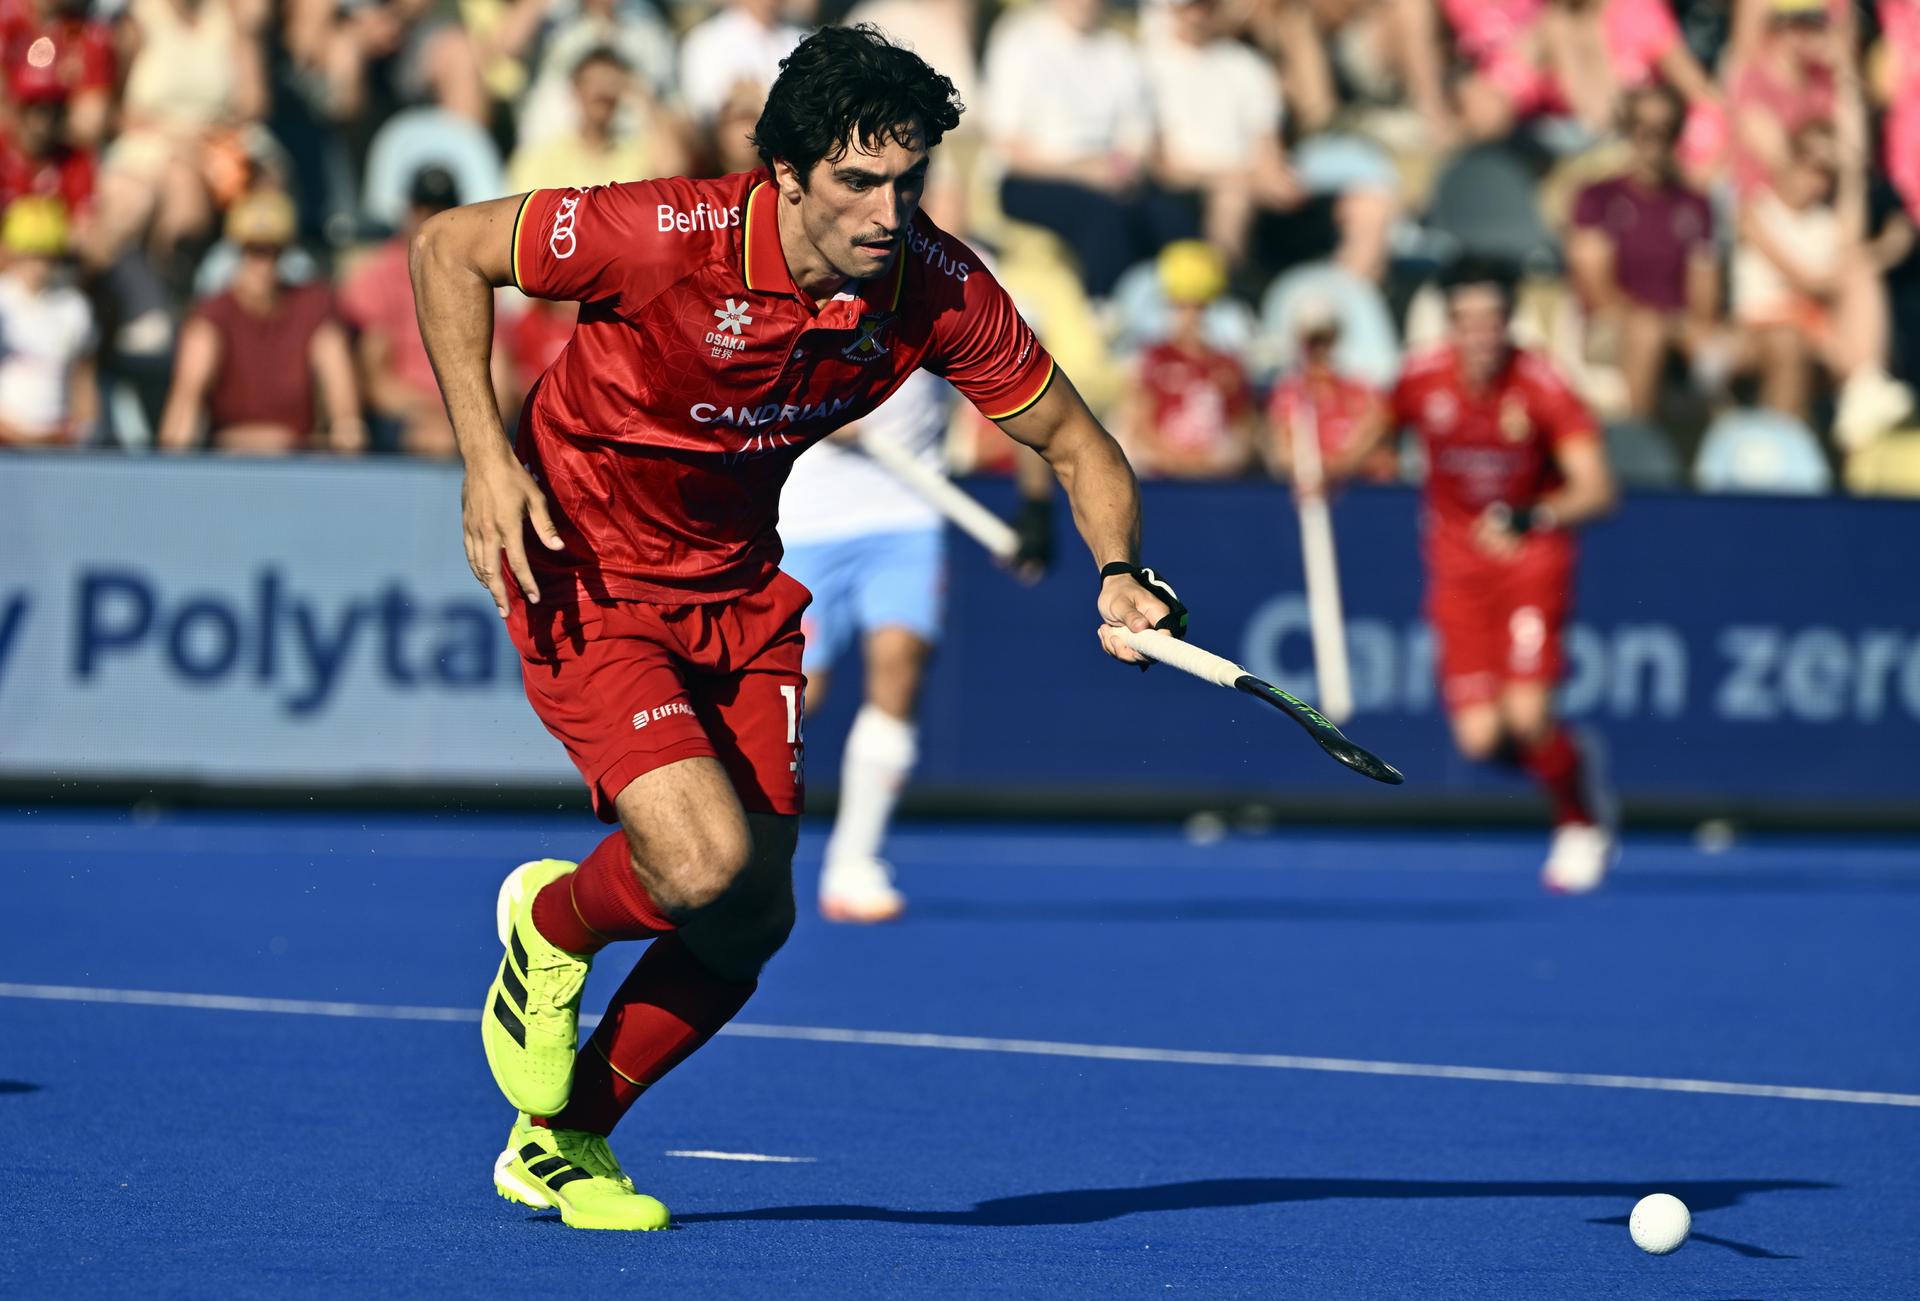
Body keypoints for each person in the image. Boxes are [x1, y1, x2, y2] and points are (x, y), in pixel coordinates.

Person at [410, 23, 1184, 1230]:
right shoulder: (662, 232)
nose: (890, 211)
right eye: (859, 182)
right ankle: (549, 921)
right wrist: (482, 458)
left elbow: (1077, 445)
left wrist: (1121, 569)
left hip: (738, 590)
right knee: (701, 861)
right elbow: (446, 250)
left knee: (754, 914)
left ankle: (562, 1144)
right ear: (786, 176)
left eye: (909, 179)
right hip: (584, 562)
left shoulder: (935, 286)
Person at [1333, 259, 1619, 893]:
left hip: (1530, 564)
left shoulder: (1542, 385)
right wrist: (1334, 470)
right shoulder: (1421, 378)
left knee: (1526, 715)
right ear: (1450, 325)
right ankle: (1573, 765)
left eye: (1492, 320)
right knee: (1480, 739)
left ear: (1510, 322)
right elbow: (1376, 430)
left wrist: (1534, 513)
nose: (1480, 335)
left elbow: (1598, 489)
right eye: (1467, 321)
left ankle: (1577, 823)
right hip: (1457, 572)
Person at [780, 370, 1047, 923]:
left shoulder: (961, 288)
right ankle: (734, 843)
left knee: (899, 671)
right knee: (797, 693)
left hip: (908, 515)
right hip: (804, 519)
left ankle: (854, 863)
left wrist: (1037, 506)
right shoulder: (810, 288)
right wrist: (810, 407)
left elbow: (1027, 401)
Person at [157, 189, 364, 453]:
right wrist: (172, 471)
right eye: (254, 251)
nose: (263, 265)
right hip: (230, 463)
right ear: (239, 253)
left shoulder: (314, 309)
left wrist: (347, 446)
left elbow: (345, 413)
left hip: (297, 461)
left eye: (273, 253)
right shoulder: (213, 318)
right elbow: (184, 406)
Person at [1567, 84, 1722, 421]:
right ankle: (1639, 449)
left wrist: (1689, 329)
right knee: (1647, 330)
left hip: (1678, 327)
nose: (1653, 140)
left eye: (1664, 131)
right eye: (1642, 128)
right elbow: (1599, 291)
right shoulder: (1597, 197)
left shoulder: (1696, 205)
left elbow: (1704, 293)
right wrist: (1661, 325)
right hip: (1611, 325)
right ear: (1628, 130)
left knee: (1770, 347)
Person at [341, 166, 514, 455]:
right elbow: (375, 380)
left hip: (469, 413)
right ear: (410, 211)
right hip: (405, 414)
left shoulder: (481, 277)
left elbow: (501, 371)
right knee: (436, 441)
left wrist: (478, 422)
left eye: (444, 210)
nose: (434, 219)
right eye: (425, 209)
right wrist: (438, 413)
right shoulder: (380, 274)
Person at [1118, 240, 1256, 479]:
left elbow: (1242, 431)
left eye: (1198, 308)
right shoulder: (1150, 360)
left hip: (1214, 479)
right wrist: (1175, 461)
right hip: (1161, 478)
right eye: (1180, 307)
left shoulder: (1229, 365)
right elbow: (1137, 423)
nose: (1190, 317)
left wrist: (1205, 464)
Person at [1265, 295, 1393, 485]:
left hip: (1359, 493)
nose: (1318, 349)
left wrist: (1337, 466)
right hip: (1310, 494)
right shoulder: (1287, 393)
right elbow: (1281, 454)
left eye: (1324, 340)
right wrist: (1316, 472)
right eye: (1312, 342)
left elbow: (1374, 431)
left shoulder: (1360, 390)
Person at [0, 195, 96, 445]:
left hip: (56, 445)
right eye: (29, 255)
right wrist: (19, 434)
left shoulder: (73, 306)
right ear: (12, 252)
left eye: (46, 256)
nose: (37, 267)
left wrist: (81, 429)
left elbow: (82, 376)